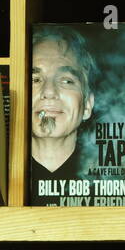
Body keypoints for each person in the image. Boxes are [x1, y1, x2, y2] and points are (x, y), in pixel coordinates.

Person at [29, 26, 97, 203]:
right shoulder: (0, 179)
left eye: (66, 80)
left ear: (88, 105)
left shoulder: (108, 183)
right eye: (35, 79)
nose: (49, 91)